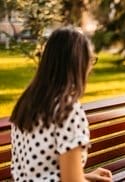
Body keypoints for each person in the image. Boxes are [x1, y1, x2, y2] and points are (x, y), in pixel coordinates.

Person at [9, 27, 113, 182]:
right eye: (90, 60)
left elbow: (40, 172)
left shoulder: (25, 103)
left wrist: (86, 177)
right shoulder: (68, 110)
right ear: (79, 63)